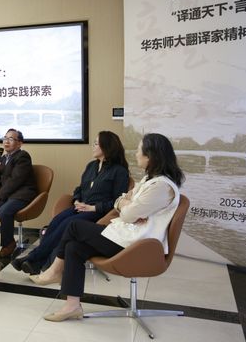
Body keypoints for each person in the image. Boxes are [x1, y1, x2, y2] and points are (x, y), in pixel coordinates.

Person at [29, 133, 184, 322]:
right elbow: (121, 200)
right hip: (125, 235)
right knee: (74, 247)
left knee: (75, 226)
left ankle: (55, 270)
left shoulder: (161, 187)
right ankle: (72, 306)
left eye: (139, 150)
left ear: (150, 155)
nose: (136, 154)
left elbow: (126, 214)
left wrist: (127, 206)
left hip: (137, 245)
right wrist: (126, 203)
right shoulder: (148, 181)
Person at [12, 131, 129, 274]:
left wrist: (93, 208)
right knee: (56, 221)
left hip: (98, 213)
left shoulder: (119, 171)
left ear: (106, 147)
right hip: (80, 208)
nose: (93, 146)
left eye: (96, 144)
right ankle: (35, 263)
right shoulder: (91, 166)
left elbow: (118, 202)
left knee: (66, 224)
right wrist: (76, 200)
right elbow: (79, 188)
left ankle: (32, 258)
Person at [0, 128, 37, 258]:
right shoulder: (3, 158)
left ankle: (8, 244)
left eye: (11, 139)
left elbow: (16, 180)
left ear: (20, 143)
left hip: (21, 194)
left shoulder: (23, 156)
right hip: (8, 195)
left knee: (4, 211)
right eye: (5, 138)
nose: (6, 141)